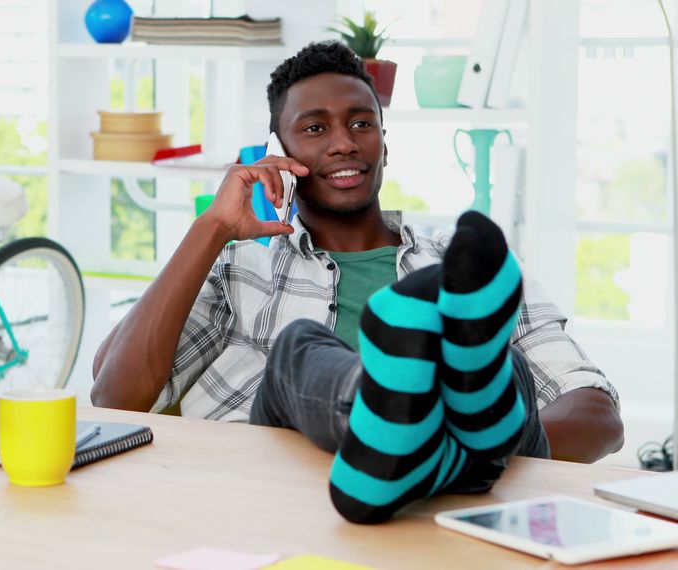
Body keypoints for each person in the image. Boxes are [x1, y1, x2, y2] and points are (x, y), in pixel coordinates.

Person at [90, 41, 623, 521]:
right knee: (297, 350)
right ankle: (385, 417)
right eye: (315, 128)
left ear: (385, 145)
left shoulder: (465, 271)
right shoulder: (238, 272)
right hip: (277, 507)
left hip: (451, 502)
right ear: (281, 153)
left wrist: (458, 461)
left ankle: (429, 443)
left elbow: (598, 413)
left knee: (506, 373)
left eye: (362, 124)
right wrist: (212, 229)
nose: (344, 143)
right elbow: (116, 396)